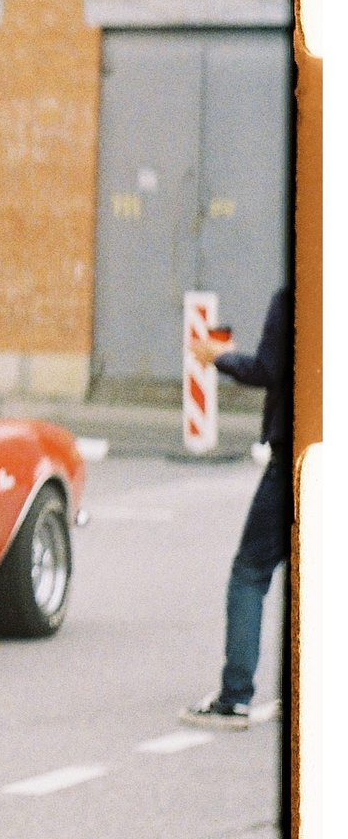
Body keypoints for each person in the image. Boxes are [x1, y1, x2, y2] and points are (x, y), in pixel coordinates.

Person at [181, 285, 293, 729]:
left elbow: (267, 369)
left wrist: (219, 357)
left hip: (297, 457)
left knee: (250, 572)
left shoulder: (296, 294)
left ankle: (235, 698)